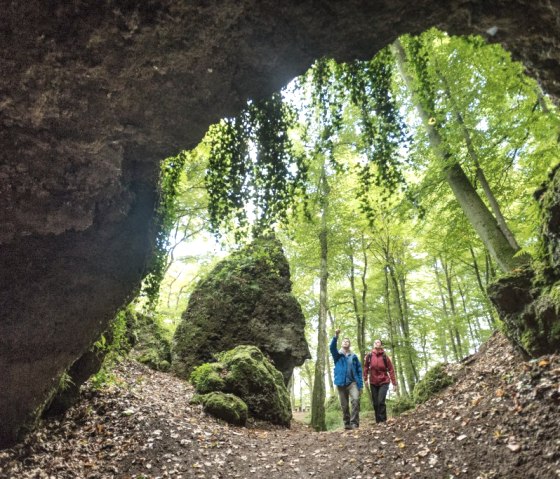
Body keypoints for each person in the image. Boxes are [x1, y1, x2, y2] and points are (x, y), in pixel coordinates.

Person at [330, 328, 363, 430]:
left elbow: (359, 371)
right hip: (341, 383)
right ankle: (347, 423)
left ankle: (354, 423)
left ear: (350, 344)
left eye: (347, 341)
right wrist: (336, 336)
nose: (345, 342)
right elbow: (331, 347)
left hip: (352, 383)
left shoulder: (354, 356)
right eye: (344, 341)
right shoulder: (337, 355)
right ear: (341, 344)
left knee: (356, 400)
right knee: (344, 406)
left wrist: (360, 386)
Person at [363, 339, 398, 423]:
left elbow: (391, 369)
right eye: (375, 342)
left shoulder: (385, 356)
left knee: (381, 401)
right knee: (375, 403)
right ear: (373, 344)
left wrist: (394, 383)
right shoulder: (370, 355)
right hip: (373, 382)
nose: (376, 343)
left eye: (378, 342)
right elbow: (366, 368)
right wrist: (365, 379)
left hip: (384, 381)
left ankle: (383, 421)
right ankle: (378, 422)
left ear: (380, 345)